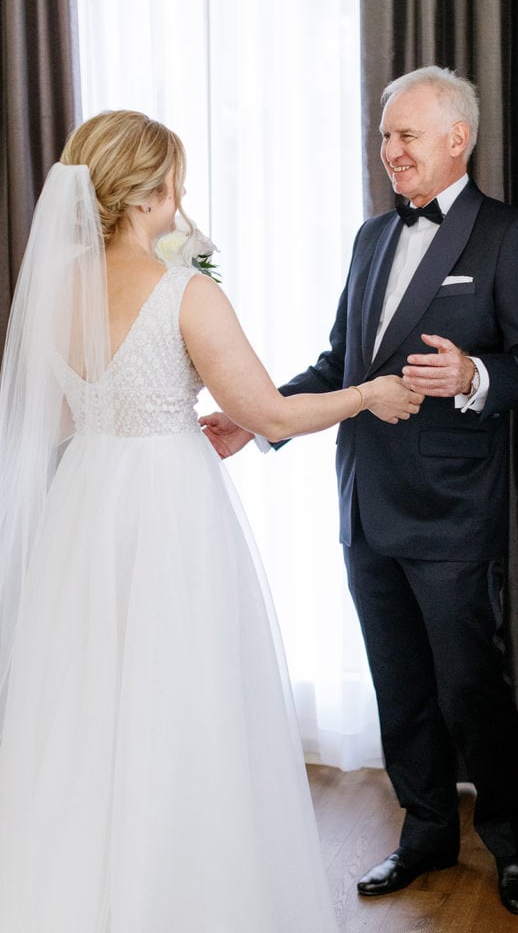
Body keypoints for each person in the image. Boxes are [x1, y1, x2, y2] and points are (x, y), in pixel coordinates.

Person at [0, 110, 422, 933]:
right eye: (175, 183)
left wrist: (115, 406)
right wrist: (369, 394)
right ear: (155, 191)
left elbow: (49, 422)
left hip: (86, 505)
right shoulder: (184, 292)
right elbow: (267, 413)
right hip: (166, 508)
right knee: (181, 698)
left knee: (90, 701)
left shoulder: (56, 292)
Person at [201, 66, 518, 917]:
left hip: (452, 511)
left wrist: (473, 373)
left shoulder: (509, 234)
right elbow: (342, 367)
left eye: (405, 135)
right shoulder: (369, 238)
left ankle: (511, 847)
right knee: (397, 687)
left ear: (455, 140)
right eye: (383, 136)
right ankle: (426, 832)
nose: (389, 151)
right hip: (365, 504)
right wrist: (261, 421)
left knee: (473, 690)